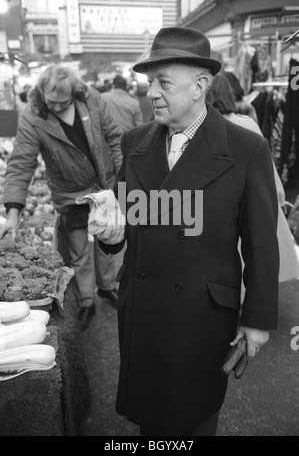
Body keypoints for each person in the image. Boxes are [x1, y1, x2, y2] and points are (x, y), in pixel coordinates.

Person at [92, 26, 279, 436]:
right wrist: (109, 235)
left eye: (163, 83)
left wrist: (258, 319)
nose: (151, 93)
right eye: (148, 83)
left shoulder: (246, 149)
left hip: (201, 316)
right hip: (143, 308)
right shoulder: (135, 141)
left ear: (200, 86)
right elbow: (127, 223)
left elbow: (261, 242)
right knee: (149, 421)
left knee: (192, 420)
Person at [0, 64, 123, 331]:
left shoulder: (92, 99)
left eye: (63, 102)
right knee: (78, 250)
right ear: (41, 93)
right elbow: (21, 162)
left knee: (108, 241)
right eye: (51, 102)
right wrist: (13, 210)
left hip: (104, 187)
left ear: (75, 93)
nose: (56, 107)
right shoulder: (33, 116)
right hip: (70, 195)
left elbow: (115, 137)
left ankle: (107, 287)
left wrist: (123, 179)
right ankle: (87, 300)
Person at [207, 72, 299, 286]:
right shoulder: (246, 123)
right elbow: (269, 172)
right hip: (251, 209)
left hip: (219, 217)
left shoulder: (205, 129)